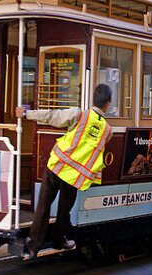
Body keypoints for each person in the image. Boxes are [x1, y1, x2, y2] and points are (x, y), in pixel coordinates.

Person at [15, 84, 113, 258]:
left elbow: (52, 116)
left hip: (56, 166)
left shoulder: (79, 114)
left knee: (43, 205)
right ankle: (59, 240)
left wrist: (26, 113)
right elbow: (97, 160)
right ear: (108, 104)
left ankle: (33, 245)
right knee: (63, 210)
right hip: (74, 177)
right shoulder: (107, 131)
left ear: (93, 100)